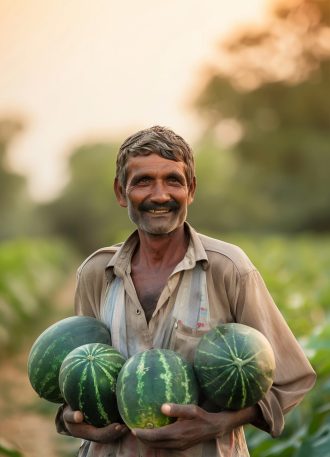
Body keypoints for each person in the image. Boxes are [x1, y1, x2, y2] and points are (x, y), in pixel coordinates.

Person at [56, 125, 316, 457]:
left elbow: (290, 380)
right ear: (121, 193)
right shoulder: (96, 273)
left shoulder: (229, 268)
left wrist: (217, 423)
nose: (159, 195)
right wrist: (70, 417)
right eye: (143, 181)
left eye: (173, 180)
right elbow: (79, 373)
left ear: (190, 190)